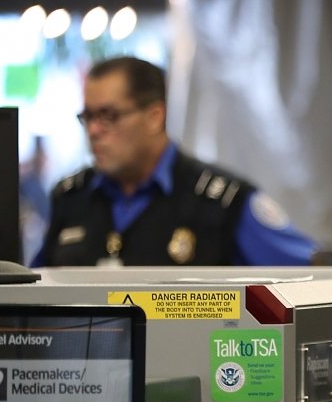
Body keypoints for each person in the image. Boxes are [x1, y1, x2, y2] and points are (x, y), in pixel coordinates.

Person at [33, 56, 315, 267]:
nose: (94, 131)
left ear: (155, 116)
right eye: (88, 117)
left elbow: (310, 275)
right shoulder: (71, 199)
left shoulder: (221, 202)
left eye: (109, 116)